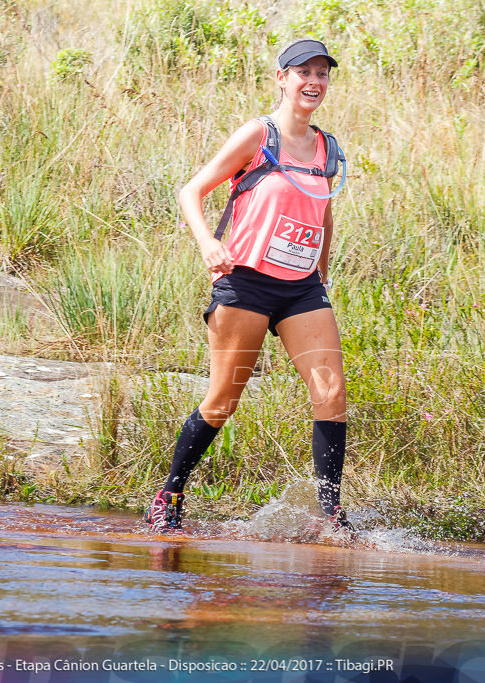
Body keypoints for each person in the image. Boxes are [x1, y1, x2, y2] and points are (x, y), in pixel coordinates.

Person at [143, 38, 352, 536]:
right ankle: (168, 495)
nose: (314, 82)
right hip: (247, 284)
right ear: (281, 78)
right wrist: (206, 246)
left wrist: (322, 265)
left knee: (332, 394)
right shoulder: (259, 134)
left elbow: (321, 206)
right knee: (222, 401)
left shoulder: (327, 147)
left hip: (301, 287)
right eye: (304, 72)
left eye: (322, 73)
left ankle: (330, 516)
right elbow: (191, 190)